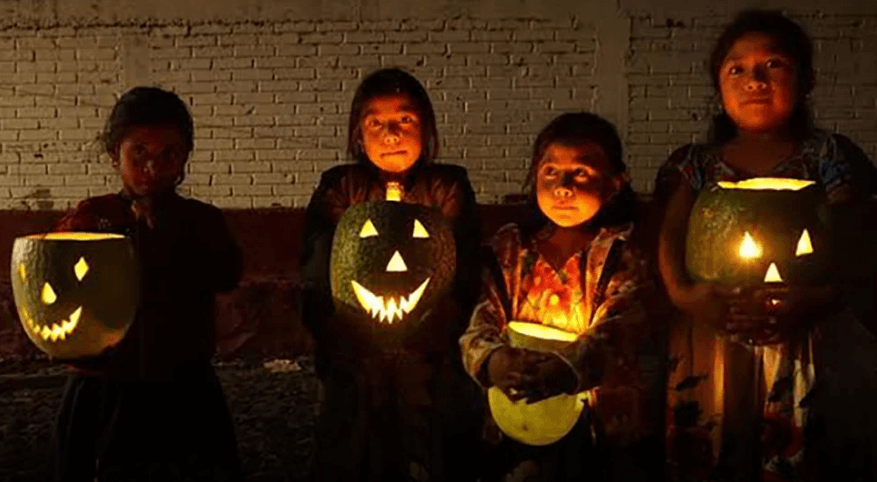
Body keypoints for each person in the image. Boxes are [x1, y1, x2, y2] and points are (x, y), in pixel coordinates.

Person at [654, 10, 877, 482]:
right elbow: (670, 237)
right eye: (737, 68)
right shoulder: (695, 164)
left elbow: (857, 240)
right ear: (718, 84)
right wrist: (684, 295)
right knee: (715, 446)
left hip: (808, 336)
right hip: (711, 334)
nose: (754, 79)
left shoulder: (830, 157)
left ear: (805, 80)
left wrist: (816, 299)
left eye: (773, 65)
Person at [47, 86, 244, 482]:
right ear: (114, 152)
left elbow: (227, 273)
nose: (153, 166)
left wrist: (169, 237)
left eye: (168, 154)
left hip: (182, 385)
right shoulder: (90, 219)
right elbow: (50, 282)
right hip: (103, 384)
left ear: (185, 156)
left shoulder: (199, 221)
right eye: (139, 152)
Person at [300, 68, 483, 482]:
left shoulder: (447, 188)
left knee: (431, 439)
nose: (391, 134)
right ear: (358, 136)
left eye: (405, 121)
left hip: (430, 346)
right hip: (353, 345)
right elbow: (317, 261)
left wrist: (444, 318)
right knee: (353, 442)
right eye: (376, 123)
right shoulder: (340, 187)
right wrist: (333, 325)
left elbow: (466, 260)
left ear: (428, 129)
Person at [460, 112, 661, 482]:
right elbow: (481, 317)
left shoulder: (623, 253)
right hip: (515, 411)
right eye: (551, 171)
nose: (563, 186)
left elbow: (623, 326)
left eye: (581, 173)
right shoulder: (509, 249)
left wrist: (567, 369)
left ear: (616, 183)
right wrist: (494, 359)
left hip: (596, 424)